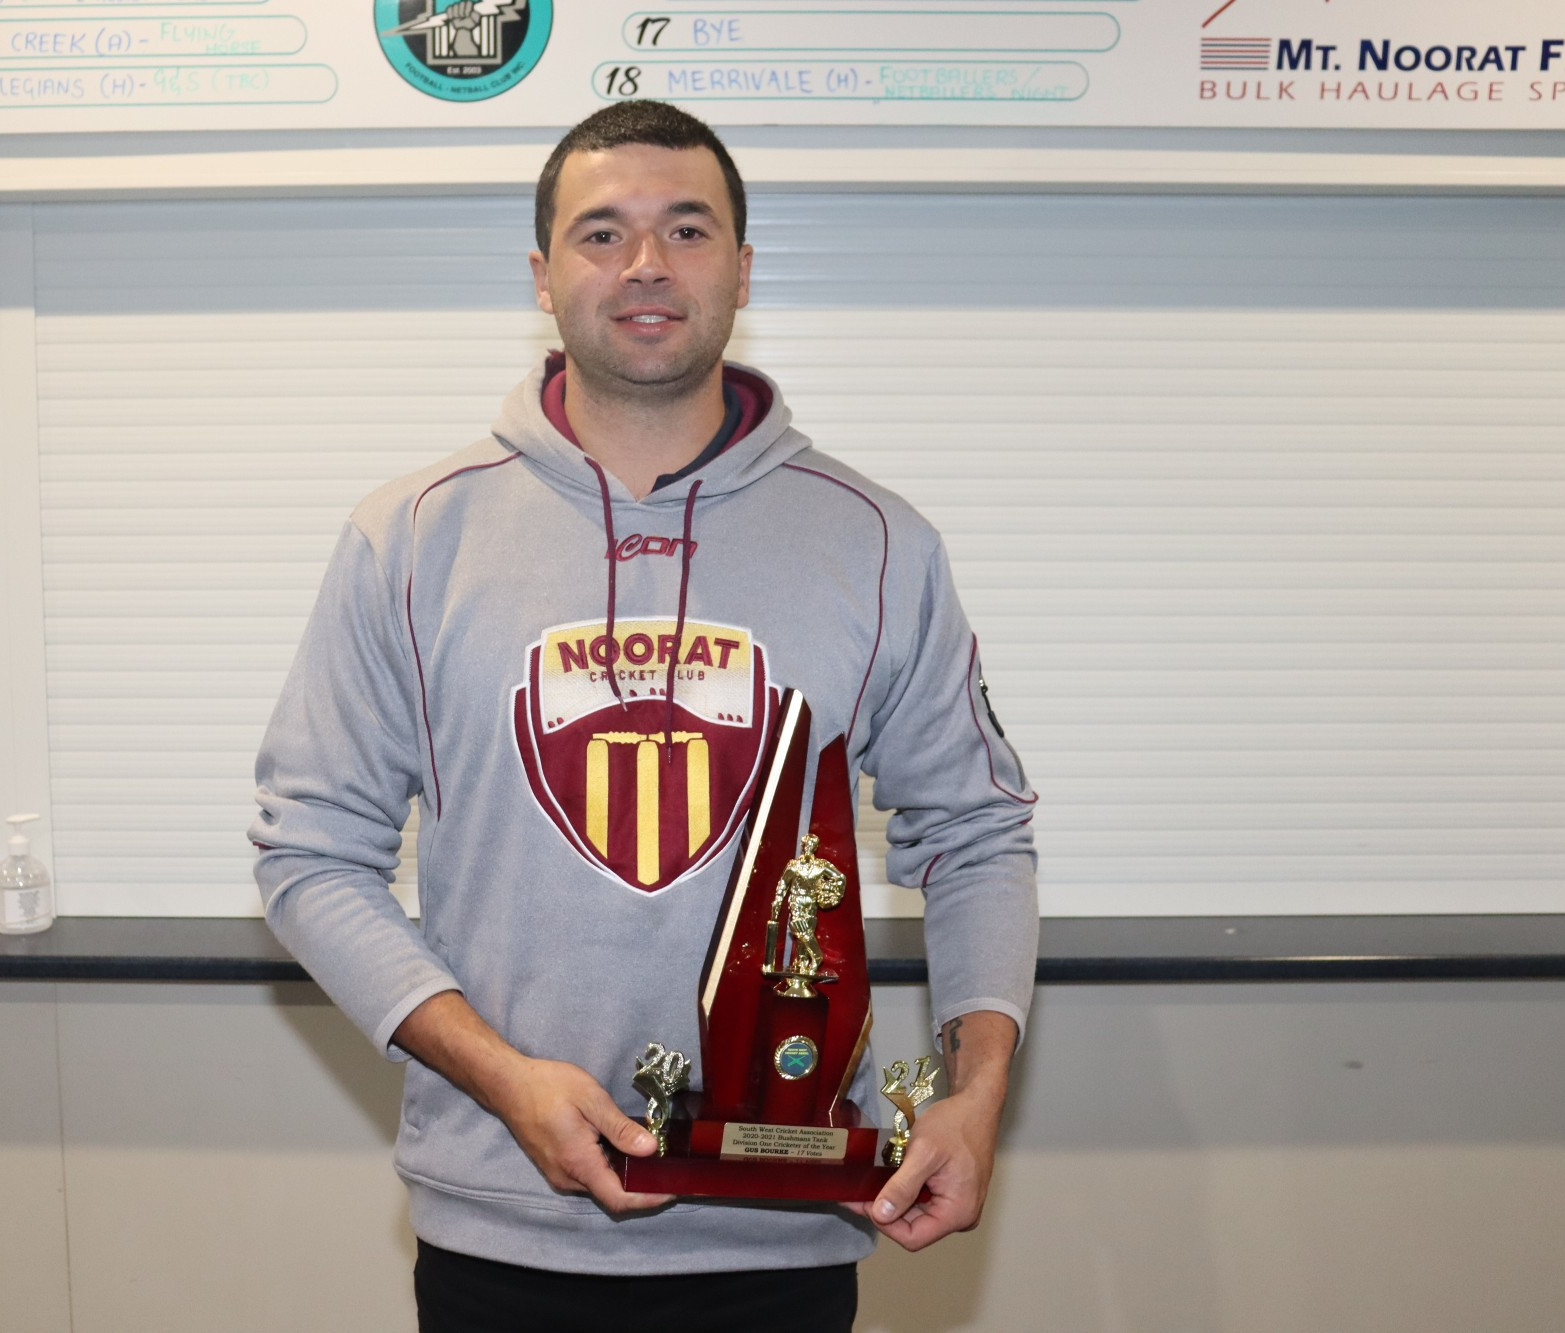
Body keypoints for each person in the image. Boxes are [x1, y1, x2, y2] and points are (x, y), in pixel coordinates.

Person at [250, 100, 1039, 1333]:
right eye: (600, 233)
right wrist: (502, 1078)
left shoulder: (874, 542)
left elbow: (977, 835)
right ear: (541, 274)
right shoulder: (410, 538)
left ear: (740, 265)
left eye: (686, 228)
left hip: (783, 1231)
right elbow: (308, 852)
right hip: (498, 1224)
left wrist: (975, 1093)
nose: (646, 266)